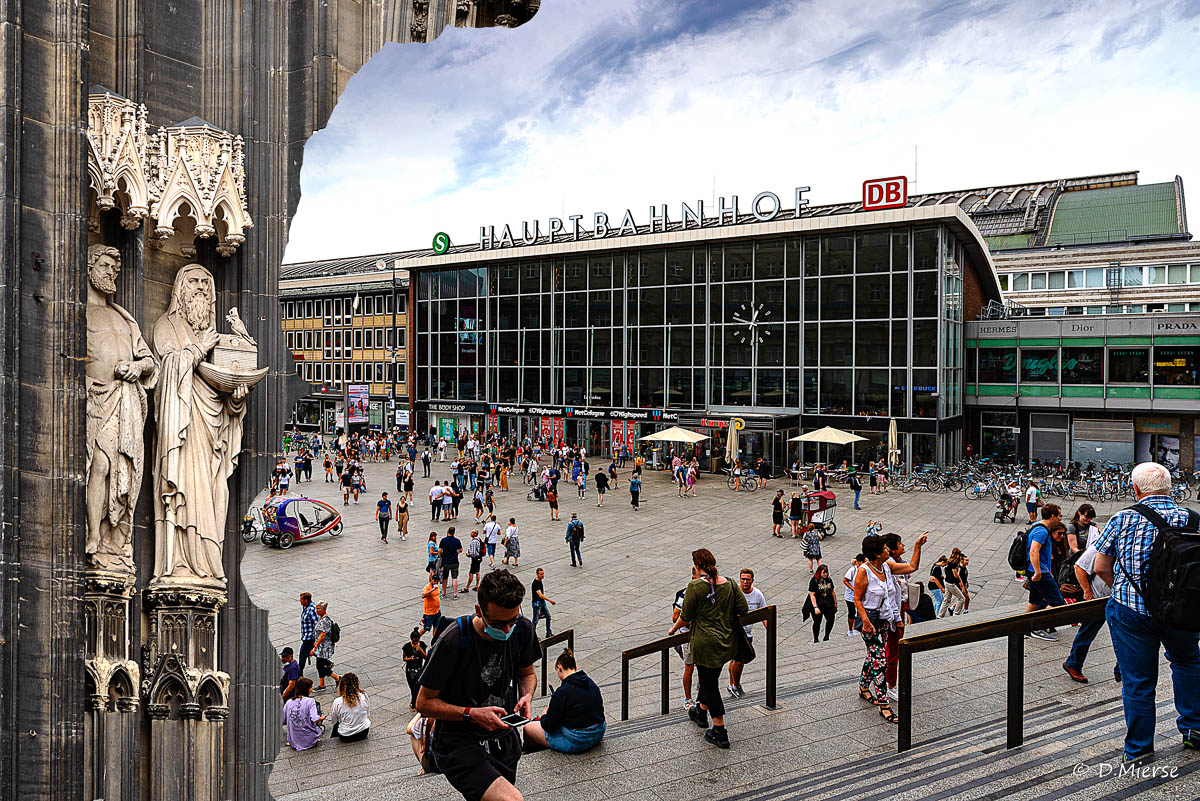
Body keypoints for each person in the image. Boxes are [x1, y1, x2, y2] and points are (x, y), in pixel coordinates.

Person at [1095, 462, 1200, 761]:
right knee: (1188, 663)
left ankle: (1139, 749)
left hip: (1133, 613)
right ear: (1170, 489)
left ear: (1136, 489)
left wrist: (1127, 589)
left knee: (1139, 681)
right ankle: (1194, 729)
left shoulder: (1122, 518)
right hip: (1182, 612)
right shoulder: (1193, 519)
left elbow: (1101, 567)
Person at [415, 570, 540, 801]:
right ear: (479, 611)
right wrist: (471, 714)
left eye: (511, 621)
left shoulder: (521, 629)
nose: (506, 630)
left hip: (503, 739)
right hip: (459, 742)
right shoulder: (453, 641)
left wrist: (527, 696)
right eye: (498, 623)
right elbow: (423, 703)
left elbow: (527, 674)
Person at [666, 548, 749, 749]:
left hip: (703, 643)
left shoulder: (695, 586)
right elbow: (743, 608)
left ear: (697, 566)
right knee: (709, 678)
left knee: (709, 684)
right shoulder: (729, 583)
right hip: (724, 642)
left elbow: (684, 616)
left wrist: (673, 629)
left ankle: (720, 731)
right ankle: (700, 713)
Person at [853, 535, 902, 724]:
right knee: (880, 662)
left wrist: (917, 547)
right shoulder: (863, 571)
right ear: (876, 552)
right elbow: (857, 599)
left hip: (883, 621)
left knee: (873, 657)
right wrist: (865, 621)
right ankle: (884, 705)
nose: (888, 549)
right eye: (885, 547)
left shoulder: (886, 568)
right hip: (870, 623)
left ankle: (863, 687)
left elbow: (911, 567)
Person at [523, 648, 606, 753]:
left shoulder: (562, 692)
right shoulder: (591, 683)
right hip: (598, 732)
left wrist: (544, 716)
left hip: (577, 740)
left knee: (528, 727)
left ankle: (530, 751)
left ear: (559, 668)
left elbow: (549, 726)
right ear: (575, 667)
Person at [1063, 538, 1120, 684]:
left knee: (1122, 634)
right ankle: (1073, 663)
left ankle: (1121, 669)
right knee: (1087, 632)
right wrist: (1087, 592)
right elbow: (1079, 567)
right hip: (1098, 598)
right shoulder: (1098, 547)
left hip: (1117, 599)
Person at [1026, 503, 1065, 640]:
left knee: (1035, 600)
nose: (1060, 518)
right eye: (1059, 515)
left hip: (1033, 570)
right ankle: (1037, 627)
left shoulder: (1035, 525)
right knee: (1058, 602)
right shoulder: (1042, 531)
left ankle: (1024, 627)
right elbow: (1034, 550)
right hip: (1040, 571)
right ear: (1053, 516)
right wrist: (1038, 572)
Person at [728, 568, 766, 697]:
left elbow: (764, 613)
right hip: (734, 632)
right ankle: (735, 686)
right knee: (738, 660)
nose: (744, 582)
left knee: (738, 660)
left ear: (752, 581)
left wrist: (769, 628)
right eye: (742, 579)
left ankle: (731, 684)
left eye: (747, 579)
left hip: (747, 633)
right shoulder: (734, 593)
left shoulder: (758, 595)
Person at [672, 564, 700, 710]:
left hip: (702, 635)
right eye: (700, 576)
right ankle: (688, 699)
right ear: (693, 577)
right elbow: (675, 616)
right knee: (689, 666)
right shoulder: (685, 594)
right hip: (688, 635)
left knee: (705, 664)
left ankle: (702, 689)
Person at [282, 677, 325, 751]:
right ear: (306, 689)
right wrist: (321, 718)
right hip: (309, 741)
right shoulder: (310, 701)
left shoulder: (289, 702)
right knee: (318, 729)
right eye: (310, 687)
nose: (311, 689)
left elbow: (283, 720)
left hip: (293, 741)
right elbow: (315, 718)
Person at [327, 672, 371, 743]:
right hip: (364, 732)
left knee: (336, 725)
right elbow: (367, 714)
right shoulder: (364, 695)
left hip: (346, 736)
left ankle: (332, 741)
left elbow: (334, 720)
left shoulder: (337, 701)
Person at [805, 564, 838, 642]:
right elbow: (812, 595)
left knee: (831, 619)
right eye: (824, 572)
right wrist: (815, 607)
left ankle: (826, 636)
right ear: (819, 572)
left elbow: (832, 591)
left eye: (826, 572)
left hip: (828, 603)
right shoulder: (814, 581)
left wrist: (835, 603)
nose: (825, 574)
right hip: (818, 603)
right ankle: (816, 638)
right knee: (817, 622)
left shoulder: (829, 579)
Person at [312, 601, 340, 690]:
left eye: (319, 609)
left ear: (324, 609)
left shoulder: (325, 620)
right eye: (316, 608)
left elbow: (323, 635)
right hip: (321, 646)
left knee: (320, 666)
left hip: (323, 647)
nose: (317, 610)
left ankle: (337, 678)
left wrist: (315, 646)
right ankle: (322, 684)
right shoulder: (321, 618)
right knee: (320, 664)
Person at [403, 629, 429, 710]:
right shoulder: (406, 646)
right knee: (412, 688)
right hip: (410, 670)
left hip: (419, 669)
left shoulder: (422, 645)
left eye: (417, 640)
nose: (415, 642)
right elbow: (404, 658)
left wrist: (420, 650)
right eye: (414, 641)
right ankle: (413, 703)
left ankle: (414, 703)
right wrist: (410, 659)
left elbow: (426, 657)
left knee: (417, 688)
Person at [937, 552, 966, 618]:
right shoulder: (953, 564)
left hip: (946, 582)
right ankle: (956, 614)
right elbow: (956, 575)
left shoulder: (948, 563)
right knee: (962, 598)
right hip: (951, 584)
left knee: (946, 600)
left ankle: (940, 615)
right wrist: (958, 573)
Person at [530, 568, 555, 637]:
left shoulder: (540, 581)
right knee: (535, 620)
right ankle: (532, 635)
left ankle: (548, 632)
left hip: (542, 603)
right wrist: (550, 600)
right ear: (537, 574)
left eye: (543, 574)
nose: (542, 575)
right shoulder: (535, 583)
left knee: (548, 616)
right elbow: (540, 595)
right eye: (541, 574)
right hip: (537, 604)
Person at [440, 527, 463, 598]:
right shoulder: (457, 541)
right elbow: (461, 549)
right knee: (454, 578)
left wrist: (441, 555)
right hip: (454, 561)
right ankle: (455, 594)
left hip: (445, 562)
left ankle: (443, 593)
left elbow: (440, 550)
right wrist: (457, 552)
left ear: (448, 532)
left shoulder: (443, 540)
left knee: (445, 578)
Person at [843, 555, 863, 636]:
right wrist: (853, 588)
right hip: (850, 596)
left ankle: (856, 629)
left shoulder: (864, 570)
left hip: (860, 595)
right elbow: (845, 580)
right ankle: (850, 629)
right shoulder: (852, 570)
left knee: (858, 612)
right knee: (852, 613)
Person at [299, 592, 318, 675]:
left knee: (302, 654)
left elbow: (317, 624)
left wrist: (316, 638)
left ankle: (299, 673)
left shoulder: (312, 609)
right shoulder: (306, 607)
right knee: (312, 651)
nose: (300, 601)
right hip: (306, 636)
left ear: (306, 600)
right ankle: (327, 663)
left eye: (301, 599)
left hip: (309, 637)